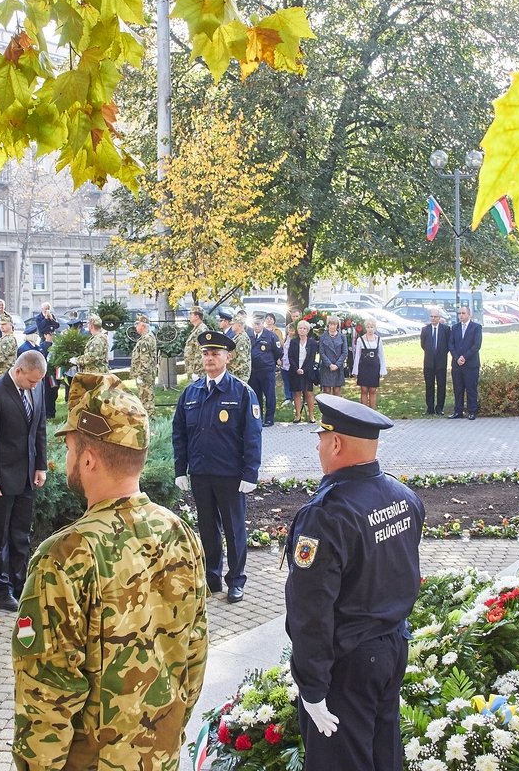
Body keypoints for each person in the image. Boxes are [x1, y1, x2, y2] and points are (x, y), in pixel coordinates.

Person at [12, 372, 209, 771]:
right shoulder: (179, 532)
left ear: (88, 458)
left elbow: (48, 696)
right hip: (158, 756)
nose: (65, 459)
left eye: (68, 448)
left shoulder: (64, 556)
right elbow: (194, 653)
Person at [285, 393, 423, 771]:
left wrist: (312, 687)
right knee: (384, 757)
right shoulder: (403, 496)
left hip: (348, 666)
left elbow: (311, 610)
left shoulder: (326, 515)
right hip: (392, 648)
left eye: (320, 438)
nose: (317, 447)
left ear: (336, 443)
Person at [172, 330, 262, 603]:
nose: (209, 358)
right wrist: (180, 469)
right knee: (208, 529)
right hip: (201, 472)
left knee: (234, 529)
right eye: (206, 354)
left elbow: (253, 435)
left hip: (230, 474)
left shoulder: (242, 392)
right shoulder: (191, 391)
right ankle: (212, 577)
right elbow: (180, 433)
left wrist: (250, 473)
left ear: (228, 357)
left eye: (215, 353)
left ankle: (236, 580)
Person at [0, 351, 48, 611]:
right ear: (18, 371)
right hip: (1, 477)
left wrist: (40, 464)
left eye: (38, 381)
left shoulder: (36, 388)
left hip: (27, 475)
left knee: (20, 534)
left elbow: (39, 428)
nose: (35, 386)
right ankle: (1, 588)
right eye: (31, 381)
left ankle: (20, 584)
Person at [449, 305, 482, 420]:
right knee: (458, 389)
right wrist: (457, 357)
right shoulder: (454, 328)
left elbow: (476, 345)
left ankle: (472, 411)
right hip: (457, 364)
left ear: (469, 314)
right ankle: (458, 411)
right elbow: (451, 345)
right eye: (459, 313)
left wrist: (464, 357)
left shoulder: (476, 327)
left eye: (463, 313)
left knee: (471, 388)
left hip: (471, 364)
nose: (461, 316)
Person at [249, 315, 282, 427]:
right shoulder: (249, 336)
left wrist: (269, 362)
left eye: (258, 324)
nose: (256, 326)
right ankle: (257, 418)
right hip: (253, 371)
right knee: (255, 396)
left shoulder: (271, 336)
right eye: (254, 324)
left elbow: (278, 352)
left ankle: (269, 419)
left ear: (262, 324)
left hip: (266, 370)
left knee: (269, 395)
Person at [351, 318, 388, 410]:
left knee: (372, 390)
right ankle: (364, 412)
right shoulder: (360, 340)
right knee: (364, 389)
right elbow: (357, 356)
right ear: (365, 328)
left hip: (374, 367)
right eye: (368, 327)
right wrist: (355, 370)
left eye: (372, 327)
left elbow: (381, 355)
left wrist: (383, 370)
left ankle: (373, 411)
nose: (370, 329)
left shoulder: (378, 340)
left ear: (374, 328)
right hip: (364, 367)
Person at [288, 320, 320, 423]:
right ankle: (298, 415)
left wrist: (304, 370)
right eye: (300, 328)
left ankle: (311, 416)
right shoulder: (293, 342)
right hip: (295, 371)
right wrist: (296, 369)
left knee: (309, 393)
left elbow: (312, 358)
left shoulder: (312, 343)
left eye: (304, 328)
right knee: (297, 393)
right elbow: (290, 357)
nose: (302, 330)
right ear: (297, 330)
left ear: (307, 330)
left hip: (307, 372)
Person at [421, 308, 451, 415]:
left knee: (441, 385)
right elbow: (423, 345)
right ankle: (430, 408)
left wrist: (440, 354)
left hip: (441, 362)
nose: (433, 319)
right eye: (432, 316)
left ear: (439, 318)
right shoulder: (425, 330)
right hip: (428, 362)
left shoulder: (446, 329)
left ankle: (439, 408)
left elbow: (448, 345)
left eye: (435, 317)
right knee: (429, 386)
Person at [130, 314, 159, 415]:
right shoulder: (148, 337)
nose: (136, 327)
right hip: (148, 374)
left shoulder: (146, 339)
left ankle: (150, 423)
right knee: (146, 399)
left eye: (137, 325)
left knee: (146, 401)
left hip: (145, 376)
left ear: (143, 326)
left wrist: (141, 375)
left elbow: (145, 360)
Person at [318, 316, 348, 396]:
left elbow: (345, 352)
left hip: (338, 368)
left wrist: (337, 365)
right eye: (330, 324)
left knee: (337, 391)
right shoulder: (323, 337)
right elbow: (321, 352)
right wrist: (330, 364)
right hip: (326, 367)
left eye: (334, 324)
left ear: (337, 326)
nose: (332, 326)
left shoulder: (342, 337)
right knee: (326, 391)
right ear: (328, 325)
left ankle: (336, 408)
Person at [282, 306, 302, 405]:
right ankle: (288, 396)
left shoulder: (302, 326)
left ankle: (296, 397)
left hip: (296, 356)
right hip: (286, 354)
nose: (295, 318)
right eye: (293, 316)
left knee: (295, 378)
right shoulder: (288, 326)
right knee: (286, 377)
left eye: (297, 316)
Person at [182, 306, 207, 382]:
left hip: (198, 371)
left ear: (197, 316)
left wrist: (197, 371)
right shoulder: (196, 329)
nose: (189, 316)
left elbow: (201, 352)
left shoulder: (201, 330)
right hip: (192, 368)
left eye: (191, 314)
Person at [228, 311, 252, 383]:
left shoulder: (242, 339)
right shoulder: (237, 337)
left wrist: (233, 375)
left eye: (233, 324)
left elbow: (242, 361)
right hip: (234, 375)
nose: (231, 326)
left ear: (239, 325)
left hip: (239, 377)